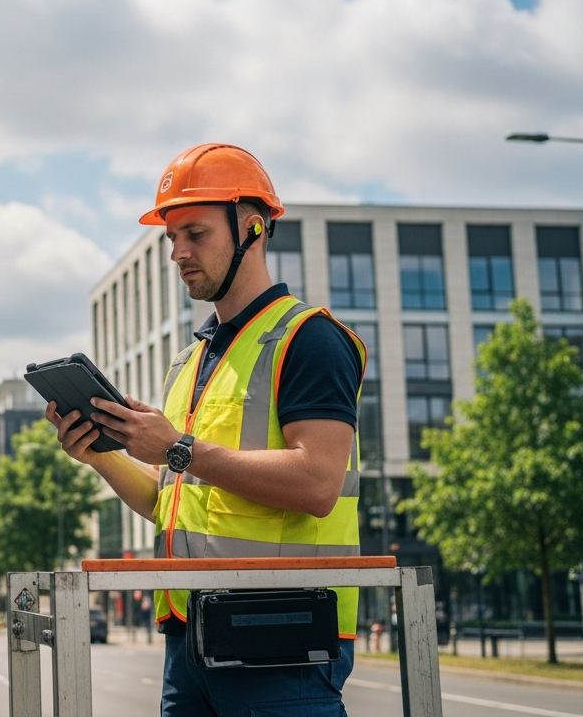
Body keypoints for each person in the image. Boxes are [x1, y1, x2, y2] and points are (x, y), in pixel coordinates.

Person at [46, 143, 365, 717]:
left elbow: (319, 482)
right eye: (172, 238)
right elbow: (171, 504)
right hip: (190, 642)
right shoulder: (189, 362)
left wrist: (177, 448)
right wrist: (100, 455)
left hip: (282, 641)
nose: (178, 252)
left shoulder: (310, 339)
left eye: (195, 233)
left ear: (253, 228)